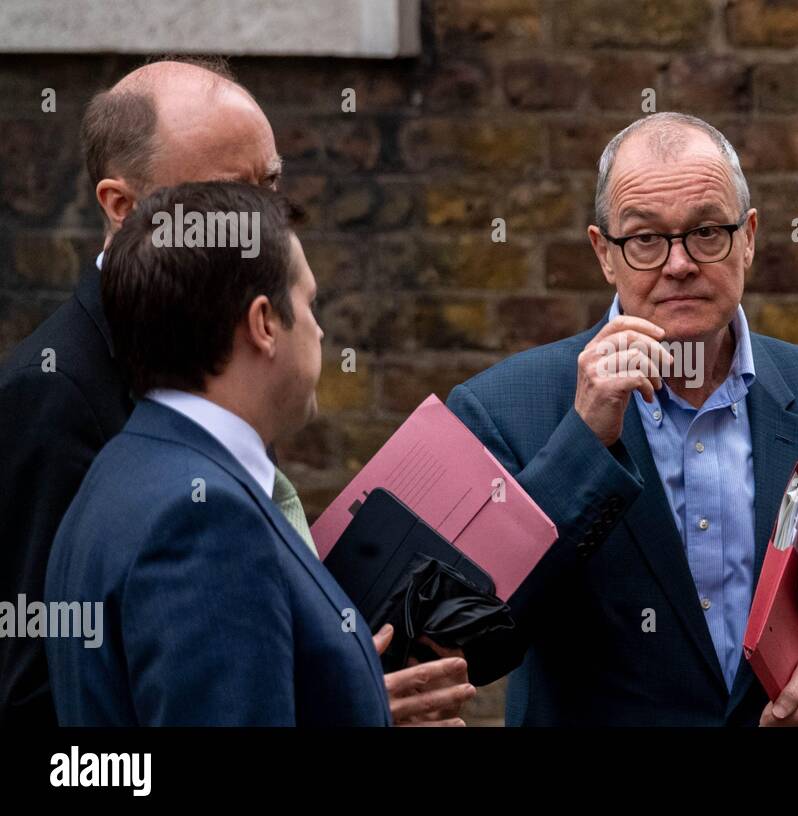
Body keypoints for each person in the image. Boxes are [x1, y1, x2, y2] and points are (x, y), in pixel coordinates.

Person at [0, 58, 470, 726]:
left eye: (271, 185)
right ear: (120, 205)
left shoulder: (196, 404)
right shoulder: (54, 393)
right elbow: (41, 699)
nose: (264, 222)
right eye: (229, 200)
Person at [447, 113, 798, 726]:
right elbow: (479, 645)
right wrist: (584, 442)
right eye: (645, 239)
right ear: (604, 254)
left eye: (706, 232)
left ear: (748, 237)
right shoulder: (504, 409)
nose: (678, 264)